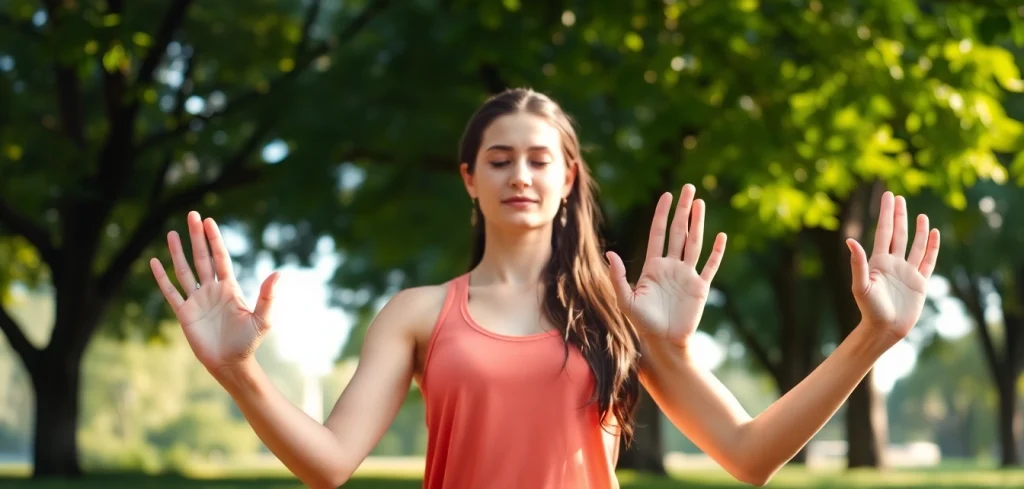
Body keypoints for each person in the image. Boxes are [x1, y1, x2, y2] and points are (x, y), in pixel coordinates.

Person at [149, 88, 941, 489]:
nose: (519, 173)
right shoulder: (419, 313)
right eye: (498, 157)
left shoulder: (616, 309)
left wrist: (872, 338)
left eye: (538, 158)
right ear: (468, 178)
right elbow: (329, 464)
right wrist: (240, 372)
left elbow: (748, 454)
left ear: (567, 177)